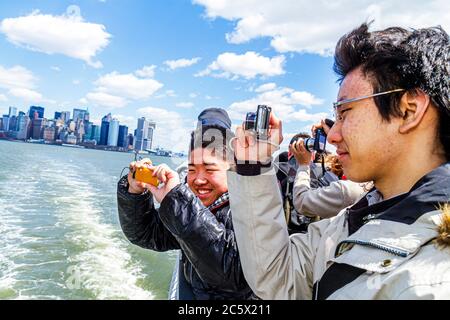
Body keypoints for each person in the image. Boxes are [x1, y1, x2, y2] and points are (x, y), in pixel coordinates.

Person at [227, 23, 450, 299]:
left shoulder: (430, 283)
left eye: (345, 112)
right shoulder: (357, 216)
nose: (332, 135)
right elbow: (279, 277)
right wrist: (253, 166)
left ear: (409, 111)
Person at [117, 108, 254, 300]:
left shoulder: (250, 209)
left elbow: (233, 275)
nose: (198, 180)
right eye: (192, 169)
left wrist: (177, 200)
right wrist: (136, 192)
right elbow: (145, 234)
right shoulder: (193, 204)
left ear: (232, 170)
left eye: (209, 169)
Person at [290, 129, 368, 219]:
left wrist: (303, 165)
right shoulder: (371, 185)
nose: (331, 139)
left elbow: (301, 202)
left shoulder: (345, 191)